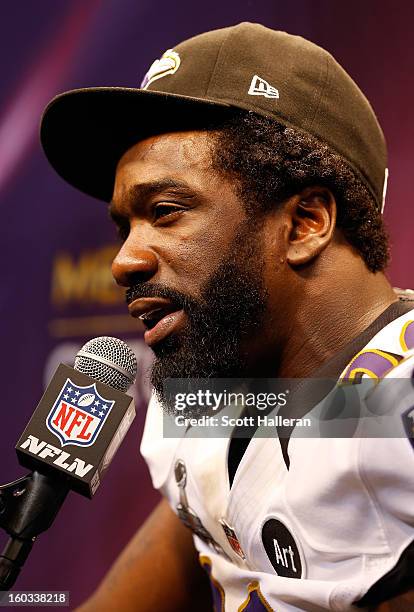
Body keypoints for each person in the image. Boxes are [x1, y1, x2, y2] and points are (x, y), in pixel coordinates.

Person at [40, 23, 414, 612]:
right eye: (123, 226)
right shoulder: (205, 397)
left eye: (165, 212)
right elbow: (210, 522)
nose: (123, 261)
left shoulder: (399, 411)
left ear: (306, 222)